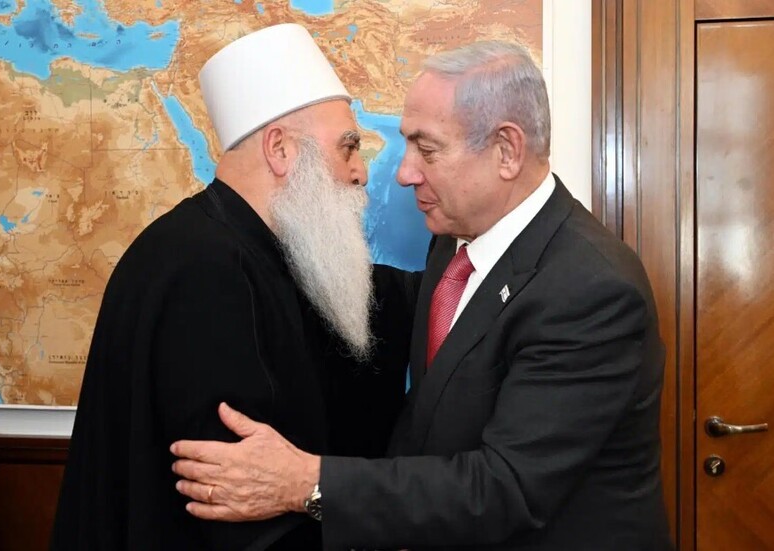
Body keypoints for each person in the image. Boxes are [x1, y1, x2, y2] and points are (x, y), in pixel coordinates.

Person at [170, 40, 674, 550]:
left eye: (427, 150)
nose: (405, 173)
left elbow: (506, 488)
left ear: (506, 150)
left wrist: (305, 483)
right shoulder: (453, 242)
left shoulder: (591, 290)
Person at [50, 24, 409, 551]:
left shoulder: (243, 249)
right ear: (280, 149)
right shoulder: (207, 273)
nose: (360, 173)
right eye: (348, 148)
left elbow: (380, 304)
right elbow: (233, 507)